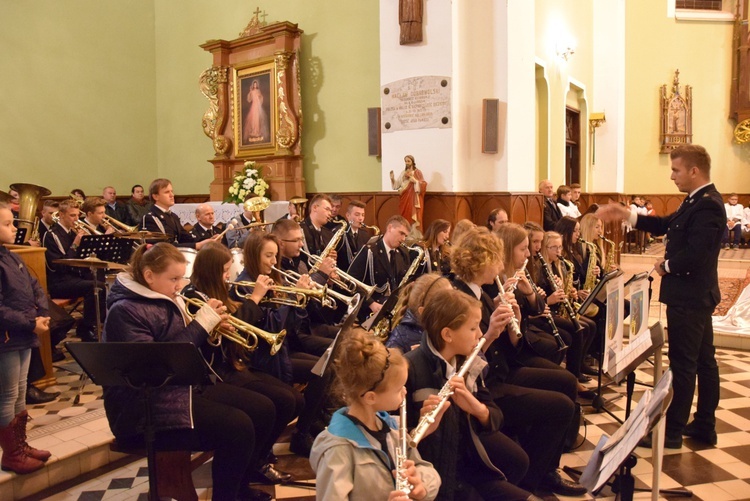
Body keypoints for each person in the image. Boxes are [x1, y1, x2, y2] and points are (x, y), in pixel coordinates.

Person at [102, 242, 272, 500]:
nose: (180, 285)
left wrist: (213, 331)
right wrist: (202, 324)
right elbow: (157, 365)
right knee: (238, 426)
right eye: (173, 278)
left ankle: (239, 489)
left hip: (180, 390)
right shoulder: (125, 310)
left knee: (262, 408)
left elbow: (184, 345)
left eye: (181, 277)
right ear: (149, 276)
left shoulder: (164, 298)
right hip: (144, 408)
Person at [597, 144, 725, 449]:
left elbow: (697, 255)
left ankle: (672, 433)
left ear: (694, 171)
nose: (672, 176)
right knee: (705, 361)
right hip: (694, 296)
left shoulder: (708, 205)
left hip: (690, 297)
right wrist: (628, 214)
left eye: (676, 170)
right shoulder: (696, 201)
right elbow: (666, 224)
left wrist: (664, 265)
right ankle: (705, 425)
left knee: (684, 364)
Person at [449, 228, 584, 496]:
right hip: (486, 387)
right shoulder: (460, 297)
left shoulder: (482, 293)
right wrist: (490, 333)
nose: (500, 266)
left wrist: (514, 323)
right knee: (560, 406)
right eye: (496, 259)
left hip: (501, 372)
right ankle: (532, 480)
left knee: (566, 382)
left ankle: (544, 468)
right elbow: (463, 359)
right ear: (482, 261)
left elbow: (508, 350)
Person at [405, 288, 535, 500]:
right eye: (473, 328)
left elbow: (495, 418)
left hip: (467, 471)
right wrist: (420, 430)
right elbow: (394, 445)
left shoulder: (467, 362)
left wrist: (474, 406)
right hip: (432, 481)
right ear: (447, 335)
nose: (480, 335)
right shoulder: (410, 369)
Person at [185, 242, 297, 484]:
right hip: (216, 373)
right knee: (270, 405)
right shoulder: (192, 296)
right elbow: (200, 345)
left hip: (233, 364)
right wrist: (253, 300)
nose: (229, 275)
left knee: (293, 400)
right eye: (225, 270)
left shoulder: (218, 291)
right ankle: (251, 466)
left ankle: (256, 459)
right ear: (211, 270)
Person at [310, 329, 441, 501]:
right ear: (371, 397)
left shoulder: (393, 427)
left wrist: (421, 485)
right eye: (398, 389)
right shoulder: (338, 450)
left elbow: (423, 467)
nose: (405, 391)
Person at [0, 203, 52, 474]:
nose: (14, 229)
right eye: (7, 224)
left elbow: (34, 285)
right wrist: (30, 323)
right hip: (6, 337)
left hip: (23, 334)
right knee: (7, 395)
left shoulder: (11, 255)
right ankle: (11, 454)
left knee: (20, 391)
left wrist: (42, 313)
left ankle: (21, 445)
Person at [43, 199, 105, 342]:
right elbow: (59, 265)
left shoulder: (72, 232)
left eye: (77, 215)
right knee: (95, 286)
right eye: (72, 215)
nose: (76, 219)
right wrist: (76, 243)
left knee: (98, 279)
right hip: (59, 282)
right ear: (61, 215)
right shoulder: (52, 235)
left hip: (74, 278)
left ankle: (92, 324)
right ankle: (87, 328)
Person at [347, 215, 414, 323]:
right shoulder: (369, 251)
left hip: (393, 308)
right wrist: (371, 303)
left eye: (405, 235)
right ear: (390, 228)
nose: (403, 239)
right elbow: (351, 281)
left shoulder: (403, 253)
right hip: (371, 311)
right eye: (401, 233)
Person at [143, 179, 218, 249]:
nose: (172, 195)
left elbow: (185, 238)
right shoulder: (151, 218)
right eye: (167, 192)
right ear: (156, 196)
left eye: (172, 191)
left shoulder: (173, 216)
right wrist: (197, 245)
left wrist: (208, 240)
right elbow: (162, 246)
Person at [386, 273, 452, 354]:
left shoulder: (449, 325)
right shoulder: (399, 340)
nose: (455, 305)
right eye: (447, 303)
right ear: (424, 311)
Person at [390, 155, 427, 229]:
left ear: (412, 162)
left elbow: (423, 184)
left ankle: (414, 235)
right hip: (404, 197)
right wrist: (392, 179)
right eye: (405, 161)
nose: (407, 163)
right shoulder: (403, 172)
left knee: (412, 215)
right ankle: (405, 233)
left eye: (408, 161)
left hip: (413, 198)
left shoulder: (417, 172)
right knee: (404, 216)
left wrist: (415, 181)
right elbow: (396, 186)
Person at [337, 201, 371, 272]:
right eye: (357, 215)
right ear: (348, 215)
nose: (361, 218)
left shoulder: (365, 235)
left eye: (363, 215)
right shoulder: (339, 232)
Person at [243, 79, 269, 144]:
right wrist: (250, 92)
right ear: (253, 85)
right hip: (253, 106)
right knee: (253, 119)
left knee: (257, 119)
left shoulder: (258, 91)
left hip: (257, 106)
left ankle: (257, 131)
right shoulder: (252, 91)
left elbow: (261, 98)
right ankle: (253, 131)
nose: (255, 85)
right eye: (254, 84)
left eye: (256, 84)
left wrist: (259, 99)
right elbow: (249, 99)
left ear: (257, 85)